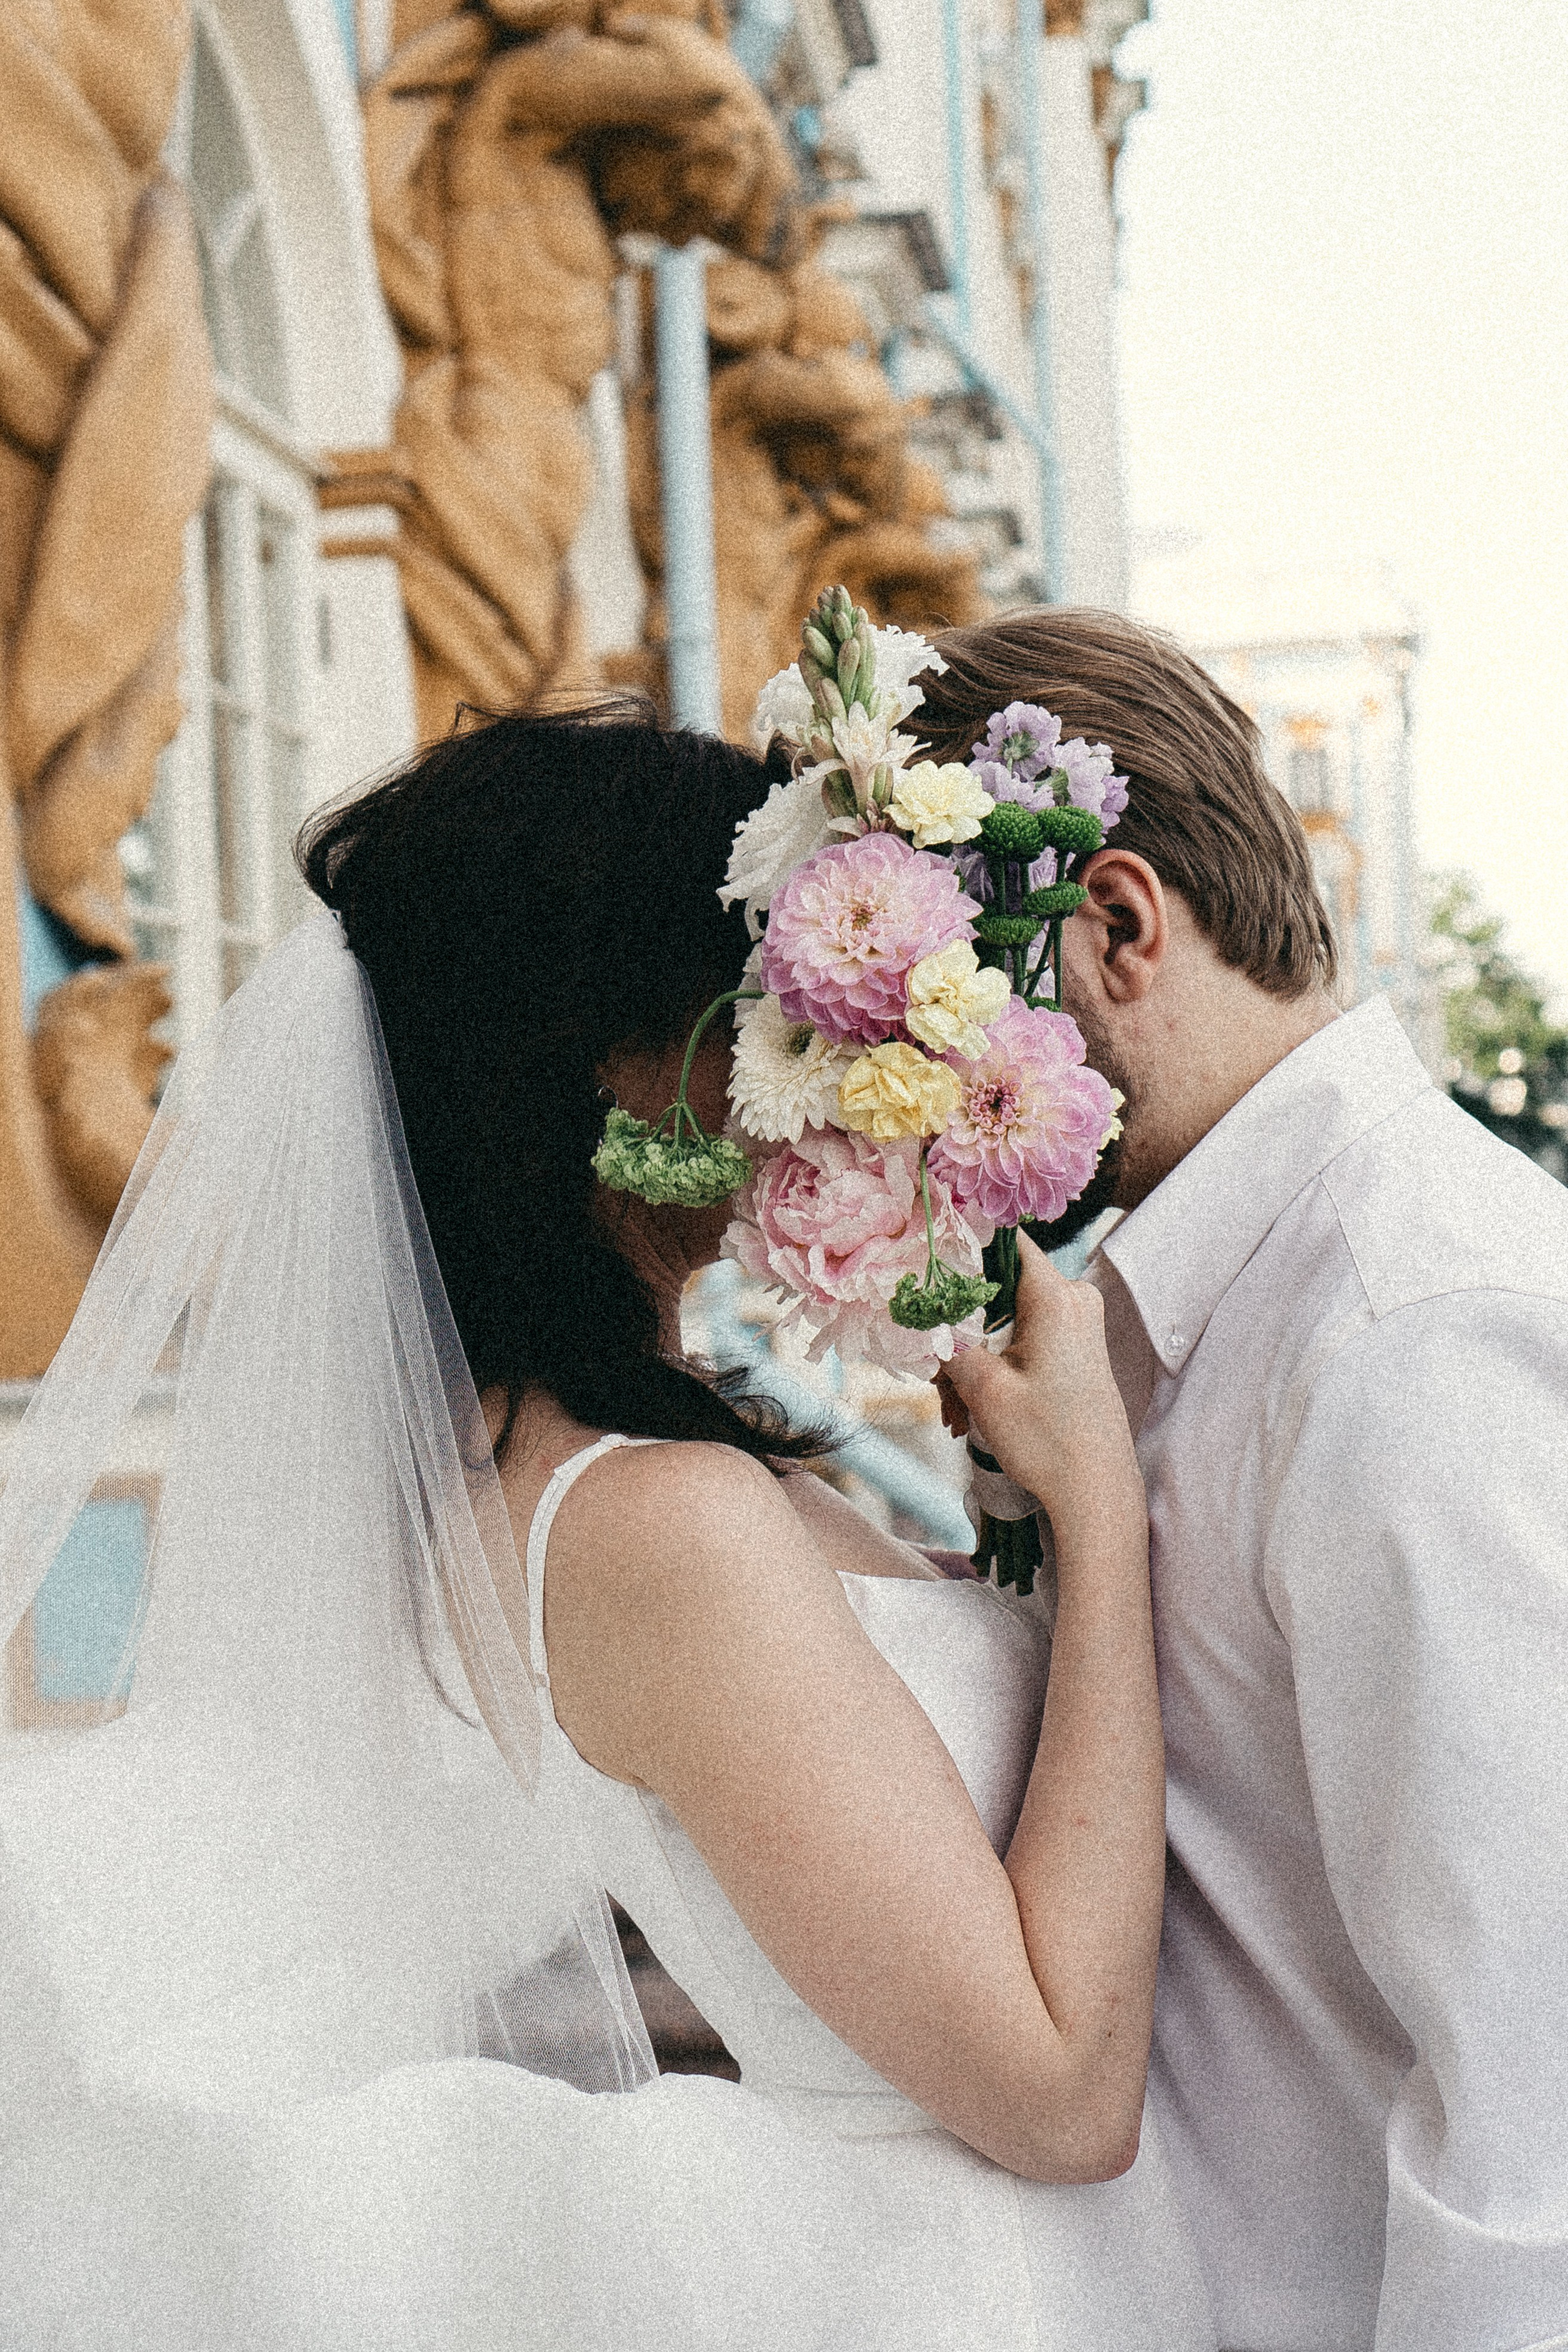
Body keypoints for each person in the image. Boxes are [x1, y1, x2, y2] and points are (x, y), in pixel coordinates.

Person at [0, 703, 1213, 2351]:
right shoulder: (653, 1521)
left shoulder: (629, 1463)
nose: (828, 1056)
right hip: (977, 2273)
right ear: (625, 1068)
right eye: (767, 1003)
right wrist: (1106, 1523)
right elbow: (1063, 2095)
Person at [920, 611, 1568, 2352]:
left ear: (1117, 922)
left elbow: (1538, 2102)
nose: (912, 1094)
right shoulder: (1177, 1308)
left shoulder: (1417, 1328)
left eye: (942, 1002)